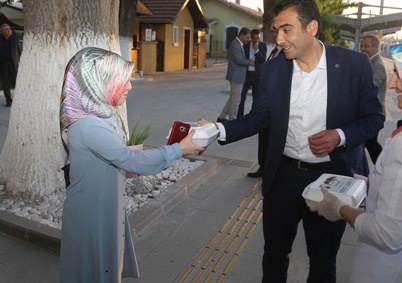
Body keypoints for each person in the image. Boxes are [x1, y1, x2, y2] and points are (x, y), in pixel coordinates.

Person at [200, 0, 384, 282]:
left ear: (312, 28)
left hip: (330, 179)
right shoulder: (274, 69)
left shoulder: (354, 65)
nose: (279, 38)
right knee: (274, 254)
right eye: (276, 31)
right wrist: (216, 130)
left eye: (287, 29)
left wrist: (340, 135)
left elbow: (374, 118)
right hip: (282, 177)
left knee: (323, 261)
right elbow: (259, 118)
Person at [59, 47, 204, 283]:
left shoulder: (103, 116)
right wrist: (179, 149)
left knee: (102, 269)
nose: (130, 86)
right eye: (122, 80)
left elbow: (119, 158)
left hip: (101, 207)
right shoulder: (88, 125)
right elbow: (129, 160)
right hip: (92, 216)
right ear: (99, 81)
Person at [312, 35, 402, 283]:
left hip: (394, 270)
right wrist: (377, 184)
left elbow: (388, 235)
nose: (395, 83)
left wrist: (340, 209)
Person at [247, 26, 281, 178]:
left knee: (271, 140)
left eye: (277, 31)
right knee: (263, 137)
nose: (274, 34)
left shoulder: (285, 53)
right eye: (272, 31)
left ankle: (270, 170)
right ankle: (263, 167)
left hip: (276, 108)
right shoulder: (275, 50)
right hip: (265, 105)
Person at [360, 34, 387, 163]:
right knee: (367, 143)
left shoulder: (378, 65)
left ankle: (382, 168)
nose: (363, 49)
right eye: (361, 46)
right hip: (368, 112)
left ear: (376, 47)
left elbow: (371, 85)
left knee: (371, 143)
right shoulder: (368, 61)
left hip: (374, 113)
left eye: (366, 46)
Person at [217, 27, 253, 121]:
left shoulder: (238, 43)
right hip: (236, 76)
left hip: (237, 75)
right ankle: (232, 119)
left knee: (233, 98)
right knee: (236, 100)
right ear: (241, 35)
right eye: (247, 37)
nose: (248, 40)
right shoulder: (236, 44)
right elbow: (239, 60)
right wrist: (250, 62)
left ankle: (221, 117)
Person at [237, 28, 267, 118]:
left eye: (258, 38)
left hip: (257, 75)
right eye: (255, 38)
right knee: (242, 97)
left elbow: (262, 60)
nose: (257, 40)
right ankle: (239, 117)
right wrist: (249, 62)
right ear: (251, 37)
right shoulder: (245, 45)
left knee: (256, 98)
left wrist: (256, 50)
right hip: (246, 74)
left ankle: (252, 117)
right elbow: (241, 59)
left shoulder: (262, 45)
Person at [0, 24, 21, 107]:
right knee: (5, 84)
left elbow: (19, 51)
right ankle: (9, 100)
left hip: (14, 64)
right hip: (3, 65)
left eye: (9, 29)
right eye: (6, 29)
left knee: (17, 83)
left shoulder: (15, 38)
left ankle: (19, 100)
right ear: (2, 31)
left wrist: (19, 61)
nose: (9, 31)